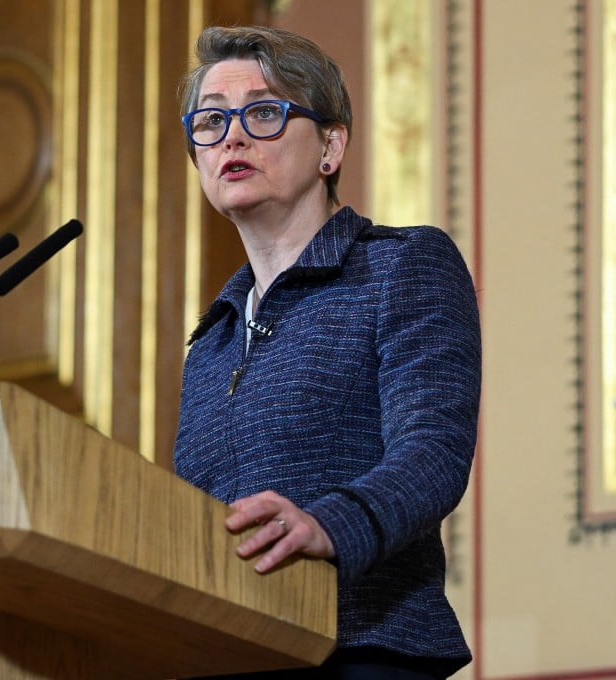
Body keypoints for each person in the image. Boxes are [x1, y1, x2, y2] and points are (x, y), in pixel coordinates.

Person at [172, 25, 481, 679]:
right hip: (230, 655)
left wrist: (327, 526)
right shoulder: (211, 341)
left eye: (263, 113)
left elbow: (433, 455)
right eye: (210, 121)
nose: (232, 136)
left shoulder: (401, 266)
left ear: (330, 146)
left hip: (364, 651)